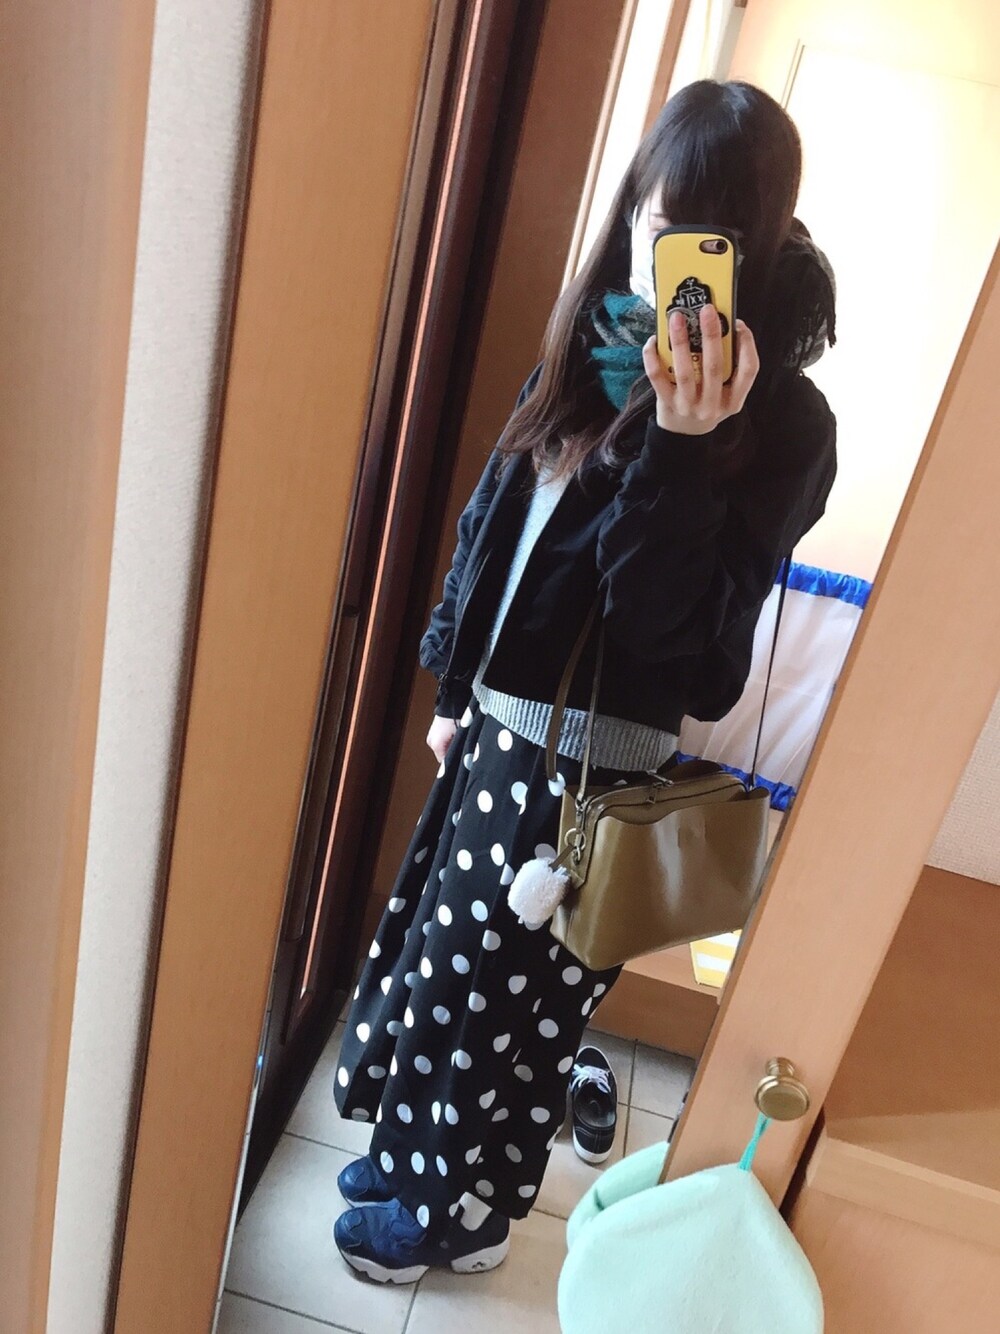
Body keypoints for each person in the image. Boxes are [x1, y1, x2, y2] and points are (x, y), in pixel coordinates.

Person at [331, 78, 837, 1283]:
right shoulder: (599, 335)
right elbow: (495, 519)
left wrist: (680, 445)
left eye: (701, 235)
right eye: (654, 219)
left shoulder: (783, 424)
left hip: (589, 766)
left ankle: (455, 1217)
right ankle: (415, 1160)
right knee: (441, 960)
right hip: (499, 728)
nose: (665, 257)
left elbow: (675, 640)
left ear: (751, 244)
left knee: (504, 1004)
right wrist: (453, 686)